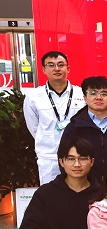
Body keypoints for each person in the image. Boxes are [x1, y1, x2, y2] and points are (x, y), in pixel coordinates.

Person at [23, 51, 86, 185]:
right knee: (50, 193)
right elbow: (34, 128)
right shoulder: (34, 97)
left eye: (61, 65)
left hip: (78, 156)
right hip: (48, 157)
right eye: (51, 65)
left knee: (79, 191)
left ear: (68, 68)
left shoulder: (81, 94)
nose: (56, 69)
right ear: (43, 69)